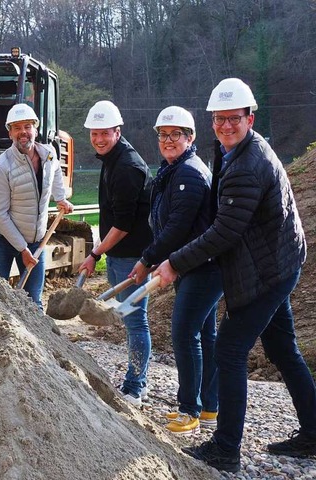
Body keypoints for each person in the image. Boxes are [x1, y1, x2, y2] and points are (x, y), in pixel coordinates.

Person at [154, 78, 316, 472]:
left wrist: (174, 262)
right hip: (278, 260)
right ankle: (313, 432)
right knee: (281, 348)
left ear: (250, 118)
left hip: (269, 270)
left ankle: (225, 449)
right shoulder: (232, 151)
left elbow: (225, 231)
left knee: (228, 350)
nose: (226, 125)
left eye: (234, 119)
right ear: (212, 121)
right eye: (220, 119)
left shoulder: (247, 165)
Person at [129, 106, 223, 434]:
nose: (168, 140)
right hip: (194, 263)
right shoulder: (174, 169)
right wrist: (156, 257)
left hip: (203, 267)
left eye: (176, 135)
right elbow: (169, 225)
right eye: (163, 135)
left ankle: (189, 411)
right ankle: (210, 407)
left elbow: (178, 228)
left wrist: (146, 259)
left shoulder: (189, 174)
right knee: (205, 334)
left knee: (185, 333)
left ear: (190, 137)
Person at [78, 100, 153, 407]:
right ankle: (136, 379)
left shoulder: (125, 167)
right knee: (129, 317)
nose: (98, 139)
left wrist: (95, 253)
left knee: (136, 319)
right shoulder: (112, 159)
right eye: (94, 133)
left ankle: (135, 387)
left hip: (132, 254)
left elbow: (122, 224)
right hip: (120, 253)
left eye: (104, 133)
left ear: (117, 131)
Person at [0, 103, 73, 307]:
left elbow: (56, 171)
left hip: (35, 241)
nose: (23, 132)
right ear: (10, 133)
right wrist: (23, 250)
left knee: (34, 301)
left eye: (27, 126)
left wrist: (60, 197)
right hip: (2, 240)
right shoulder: (1, 167)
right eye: (17, 128)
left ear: (36, 128)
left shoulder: (50, 153)